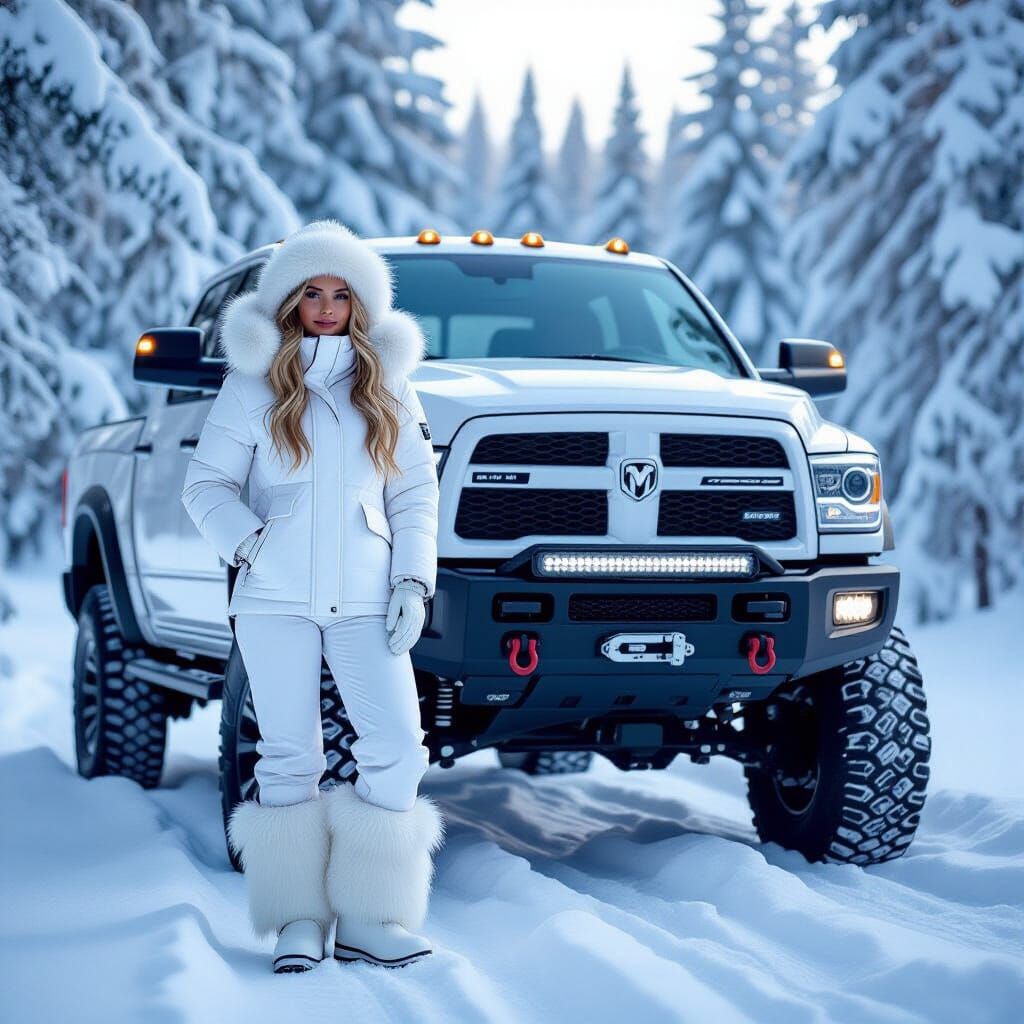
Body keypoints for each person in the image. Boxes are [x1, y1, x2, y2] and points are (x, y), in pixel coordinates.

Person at [180, 219, 445, 974]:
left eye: (340, 293)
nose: (327, 307)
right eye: (312, 293)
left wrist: (412, 580)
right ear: (290, 301)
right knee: (291, 755)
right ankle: (298, 918)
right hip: (274, 599)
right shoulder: (253, 383)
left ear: (361, 304)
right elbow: (207, 486)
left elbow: (416, 494)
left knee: (396, 746)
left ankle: (367, 915)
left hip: (366, 597)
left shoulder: (389, 384)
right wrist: (253, 544)